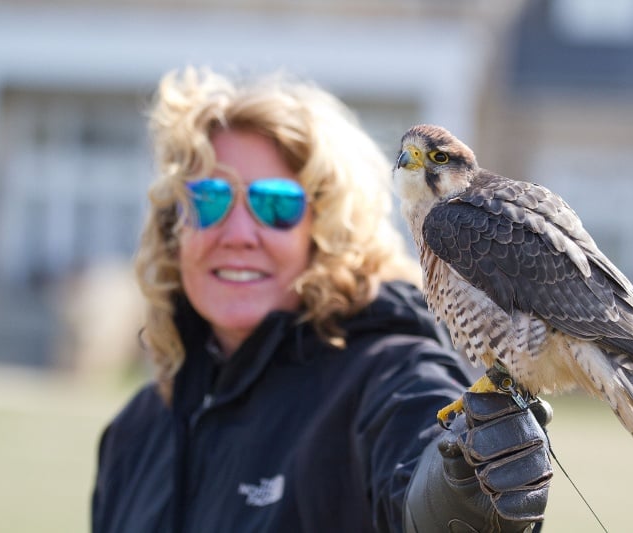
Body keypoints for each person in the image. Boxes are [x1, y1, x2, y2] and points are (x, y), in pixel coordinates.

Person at [91, 66, 552, 533]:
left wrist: (458, 490)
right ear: (175, 229)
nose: (237, 234)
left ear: (327, 228)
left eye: (275, 203)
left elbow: (421, 463)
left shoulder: (387, 375)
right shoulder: (135, 431)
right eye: (208, 199)